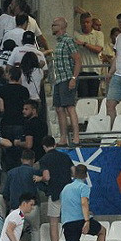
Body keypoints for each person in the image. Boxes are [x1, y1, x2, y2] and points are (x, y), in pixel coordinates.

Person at [60, 164, 106, 241]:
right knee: (102, 231)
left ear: (74, 174)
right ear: (86, 175)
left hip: (67, 223)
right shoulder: (83, 187)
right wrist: (87, 221)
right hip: (80, 220)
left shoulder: (65, 188)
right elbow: (83, 203)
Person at [38, 136, 74, 241]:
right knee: (70, 222)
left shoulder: (44, 159)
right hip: (68, 193)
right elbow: (74, 172)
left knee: (54, 224)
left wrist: (39, 178)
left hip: (55, 194)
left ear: (44, 147)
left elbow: (46, 177)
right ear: (55, 144)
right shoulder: (65, 156)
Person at [52, 16, 82, 145]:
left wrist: (73, 78)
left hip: (67, 77)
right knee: (59, 108)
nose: (52, 27)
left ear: (62, 27)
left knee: (70, 106)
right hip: (58, 79)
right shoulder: (58, 42)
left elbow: (77, 60)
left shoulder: (68, 40)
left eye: (55, 25)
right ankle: (63, 137)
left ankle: (76, 136)